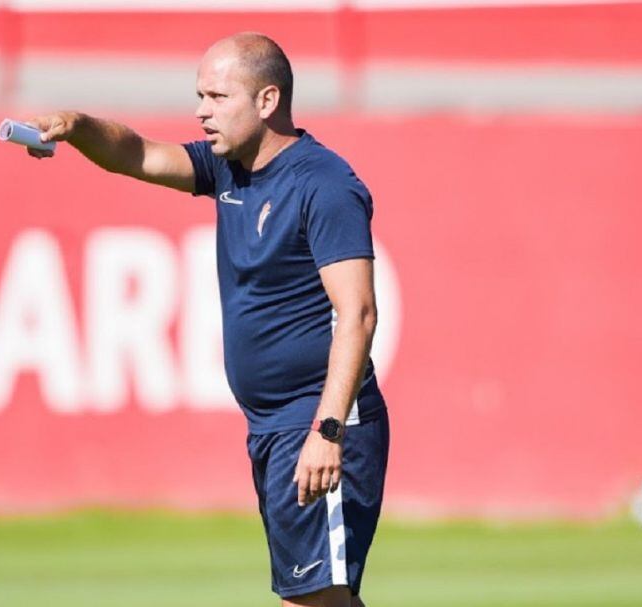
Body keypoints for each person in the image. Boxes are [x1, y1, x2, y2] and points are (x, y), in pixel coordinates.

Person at [24, 32, 389, 607]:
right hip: (272, 427)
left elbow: (359, 313)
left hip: (315, 423)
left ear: (267, 101)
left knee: (313, 600)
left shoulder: (324, 184)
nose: (201, 111)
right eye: (200, 95)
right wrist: (77, 127)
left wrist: (327, 431)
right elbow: (136, 154)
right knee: (321, 598)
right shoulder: (229, 170)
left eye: (218, 97)